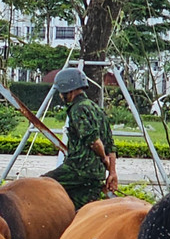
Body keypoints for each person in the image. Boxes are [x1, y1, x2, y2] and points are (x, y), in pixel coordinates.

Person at [43, 68, 118, 209]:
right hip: (96, 176)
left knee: (39, 186)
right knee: (82, 212)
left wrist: (103, 158)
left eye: (61, 92)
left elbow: (94, 142)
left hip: (77, 170)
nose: (60, 96)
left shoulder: (77, 109)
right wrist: (112, 172)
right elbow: (111, 145)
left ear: (68, 91)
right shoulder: (97, 109)